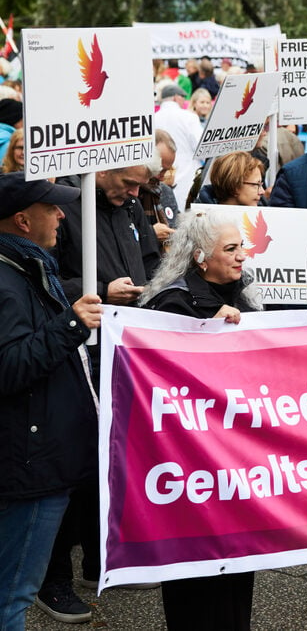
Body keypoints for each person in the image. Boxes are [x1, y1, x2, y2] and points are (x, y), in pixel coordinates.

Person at [39, 163, 161, 621]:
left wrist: (155, 289)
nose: (134, 192)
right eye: (128, 182)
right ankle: (53, 581)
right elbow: (46, 278)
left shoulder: (129, 205)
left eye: (140, 185)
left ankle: (99, 560)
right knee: (73, 462)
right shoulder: (67, 205)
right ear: (103, 165)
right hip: (78, 345)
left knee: (109, 457)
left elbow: (150, 259)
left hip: (124, 346)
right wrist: (97, 290)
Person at [140, 211, 259, 629]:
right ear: (199, 258)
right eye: (231, 249)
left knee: (237, 574)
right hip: (191, 470)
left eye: (242, 246)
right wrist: (205, 331)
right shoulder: (171, 303)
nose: (242, 256)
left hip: (236, 463)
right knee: (198, 580)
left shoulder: (245, 294)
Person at [0, 173, 100, 630]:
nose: (62, 215)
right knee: (13, 596)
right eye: (52, 207)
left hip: (34, 456)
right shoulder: (8, 279)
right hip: (29, 465)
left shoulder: (27, 266)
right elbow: (11, 367)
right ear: (22, 220)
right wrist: (72, 323)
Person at [155, 84, 203, 210]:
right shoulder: (189, 117)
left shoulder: (153, 118)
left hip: (161, 173)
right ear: (176, 98)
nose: (184, 101)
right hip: (188, 173)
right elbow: (200, 146)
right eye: (183, 97)